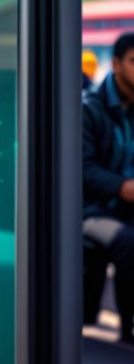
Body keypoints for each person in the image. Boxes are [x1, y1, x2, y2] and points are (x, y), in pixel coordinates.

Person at [83, 32, 134, 343]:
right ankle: (128, 329)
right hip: (91, 209)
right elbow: (82, 170)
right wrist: (122, 187)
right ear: (115, 64)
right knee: (128, 241)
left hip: (125, 206)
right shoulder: (90, 108)